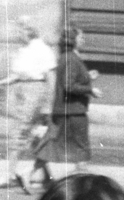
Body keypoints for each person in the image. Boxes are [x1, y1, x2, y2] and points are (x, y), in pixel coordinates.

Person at [0, 18, 56, 191]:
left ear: (29, 30)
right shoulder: (24, 50)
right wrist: (2, 82)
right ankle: (47, 176)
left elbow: (50, 78)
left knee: (19, 133)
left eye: (19, 31)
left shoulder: (42, 50)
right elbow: (19, 75)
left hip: (35, 93)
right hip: (23, 92)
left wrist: (48, 105)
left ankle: (11, 175)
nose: (17, 34)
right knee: (35, 136)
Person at [32, 26, 96, 185]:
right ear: (73, 40)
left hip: (67, 110)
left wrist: (88, 77)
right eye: (81, 37)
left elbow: (70, 81)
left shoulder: (67, 57)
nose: (84, 39)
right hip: (73, 111)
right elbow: (68, 86)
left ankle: (28, 174)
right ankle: (80, 182)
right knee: (81, 147)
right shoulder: (71, 58)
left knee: (54, 144)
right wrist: (90, 89)